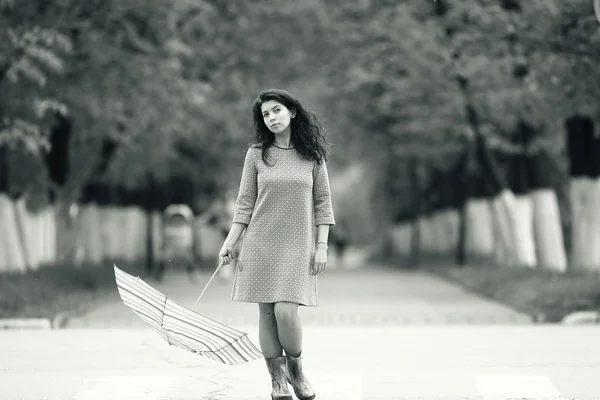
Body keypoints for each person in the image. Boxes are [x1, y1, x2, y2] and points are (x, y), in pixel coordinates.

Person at [219, 89, 335, 400]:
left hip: (298, 245)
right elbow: (245, 204)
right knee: (267, 314)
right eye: (265, 114)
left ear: (292, 112)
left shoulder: (313, 156)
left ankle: (296, 372)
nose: (271, 118)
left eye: (276, 111)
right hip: (259, 244)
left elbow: (323, 204)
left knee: (286, 312)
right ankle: (277, 382)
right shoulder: (256, 155)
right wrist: (230, 242)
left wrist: (322, 245)